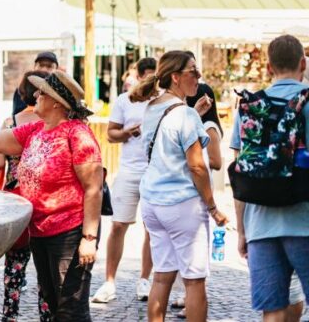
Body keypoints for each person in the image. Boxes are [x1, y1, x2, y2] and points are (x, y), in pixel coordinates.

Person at [0, 70, 103, 321]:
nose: (36, 95)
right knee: (52, 302)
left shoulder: (77, 134)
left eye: (42, 92)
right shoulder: (35, 129)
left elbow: (93, 187)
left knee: (71, 309)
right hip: (40, 230)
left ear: (57, 101)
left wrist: (89, 237)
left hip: (69, 232)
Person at [129, 51, 229, 322]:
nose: (198, 77)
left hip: (153, 202)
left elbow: (167, 139)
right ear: (175, 77)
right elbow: (197, 166)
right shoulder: (184, 114)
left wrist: (193, 114)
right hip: (182, 205)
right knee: (194, 281)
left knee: (161, 277)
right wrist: (212, 207)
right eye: (193, 72)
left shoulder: (152, 108)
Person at [230, 35, 309, 321]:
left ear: (267, 67)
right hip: (305, 222)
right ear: (303, 63)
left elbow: (241, 171)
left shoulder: (250, 106)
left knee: (272, 311)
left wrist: (241, 230)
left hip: (261, 224)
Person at [91, 57, 157, 304]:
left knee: (152, 228)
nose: (152, 80)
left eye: (155, 75)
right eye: (148, 75)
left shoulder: (162, 101)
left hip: (155, 172)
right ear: (138, 76)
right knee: (119, 224)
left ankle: (144, 279)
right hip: (129, 170)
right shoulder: (124, 100)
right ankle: (109, 281)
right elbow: (110, 135)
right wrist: (128, 132)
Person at [0, 70, 46, 322]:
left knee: (15, 264)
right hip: (46, 200)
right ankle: (47, 314)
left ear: (22, 93)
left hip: (17, 198)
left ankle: (9, 315)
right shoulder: (54, 123)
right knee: (46, 265)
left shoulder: (11, 123)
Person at [12, 51, 58, 115]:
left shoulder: (60, 90)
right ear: (34, 67)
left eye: (49, 66)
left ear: (56, 69)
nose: (44, 69)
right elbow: (16, 114)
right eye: (41, 65)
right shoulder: (23, 88)